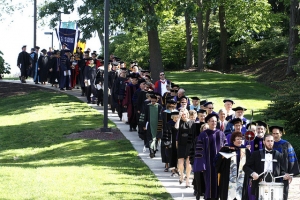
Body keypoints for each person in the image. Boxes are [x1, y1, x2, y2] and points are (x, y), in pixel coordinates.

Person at [243, 134, 290, 200]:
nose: (270, 143)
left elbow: (282, 171)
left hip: (274, 184)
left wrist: (284, 175)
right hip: (259, 183)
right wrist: (252, 173)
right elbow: (245, 167)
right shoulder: (256, 154)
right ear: (264, 142)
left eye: (271, 141)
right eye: (268, 141)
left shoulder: (279, 155)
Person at [193, 113, 227, 200]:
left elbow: (226, 148)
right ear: (208, 122)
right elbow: (199, 151)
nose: (214, 123)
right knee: (209, 183)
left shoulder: (221, 134)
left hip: (220, 164)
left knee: (220, 183)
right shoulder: (203, 135)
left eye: (215, 121)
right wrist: (202, 165)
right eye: (212, 121)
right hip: (208, 164)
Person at [215, 131, 250, 200]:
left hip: (241, 177)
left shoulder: (245, 150)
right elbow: (216, 161)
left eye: (241, 139)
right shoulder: (226, 148)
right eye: (238, 139)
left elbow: (250, 164)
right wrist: (222, 157)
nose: (240, 141)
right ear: (233, 140)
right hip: (227, 177)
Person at [270, 125, 300, 200]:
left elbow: (292, 159)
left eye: (277, 133)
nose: (275, 135)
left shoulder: (286, 144)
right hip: (270, 173)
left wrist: (291, 173)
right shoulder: (269, 144)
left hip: (283, 174)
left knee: (282, 194)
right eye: (273, 133)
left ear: (281, 134)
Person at [175, 109, 194, 188]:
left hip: (189, 144)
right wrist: (179, 117)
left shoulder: (192, 122)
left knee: (188, 163)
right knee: (180, 163)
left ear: (187, 114)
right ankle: (182, 175)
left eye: (185, 114)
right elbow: (176, 127)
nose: (184, 115)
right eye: (182, 114)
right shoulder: (180, 122)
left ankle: (187, 181)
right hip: (181, 144)